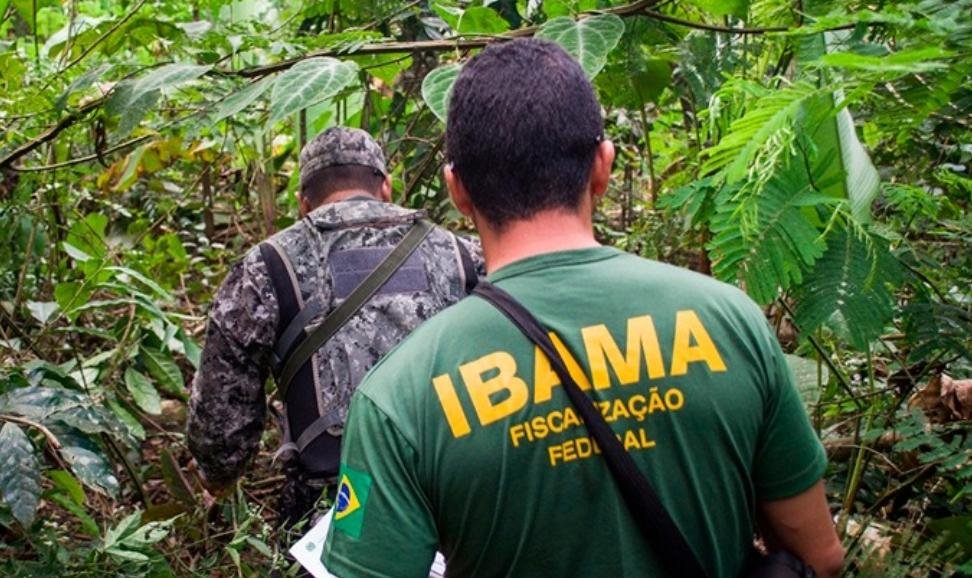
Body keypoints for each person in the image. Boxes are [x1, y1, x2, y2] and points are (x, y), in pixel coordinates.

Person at [322, 39, 844, 577]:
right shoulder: (731, 320)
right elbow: (819, 559)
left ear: (457, 188)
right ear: (603, 165)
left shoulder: (398, 396)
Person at [187, 127, 483, 526]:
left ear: (303, 203)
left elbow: (219, 423)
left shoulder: (267, 267)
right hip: (458, 498)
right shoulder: (462, 254)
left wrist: (219, 477)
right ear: (387, 188)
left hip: (338, 510)